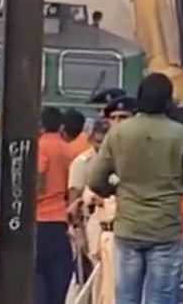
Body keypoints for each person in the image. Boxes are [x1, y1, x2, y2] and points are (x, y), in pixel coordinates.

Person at [89, 72, 183, 304]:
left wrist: (117, 189)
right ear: (168, 101)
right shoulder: (182, 134)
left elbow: (96, 181)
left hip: (128, 229)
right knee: (161, 298)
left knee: (126, 297)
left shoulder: (119, 133)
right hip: (165, 230)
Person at [67, 118, 112, 290]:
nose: (101, 146)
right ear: (91, 139)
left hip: (110, 226)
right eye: (98, 141)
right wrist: (77, 233)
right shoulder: (82, 163)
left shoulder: (116, 161)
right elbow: (73, 199)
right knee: (89, 280)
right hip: (89, 225)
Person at [36, 106, 74, 304]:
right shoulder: (67, 148)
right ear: (61, 126)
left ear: (41, 125)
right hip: (61, 219)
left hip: (40, 218)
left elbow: (38, 177)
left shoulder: (40, 146)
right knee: (57, 279)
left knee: (37, 276)